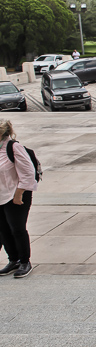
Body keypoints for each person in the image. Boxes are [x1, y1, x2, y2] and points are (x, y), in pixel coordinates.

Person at [0, 119, 38, 278]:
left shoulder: (14, 147)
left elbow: (29, 173)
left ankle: (25, 261)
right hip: (1, 195)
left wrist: (18, 194)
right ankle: (13, 260)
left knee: (17, 229)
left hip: (15, 195)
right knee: (3, 230)